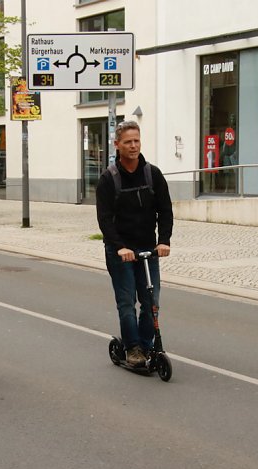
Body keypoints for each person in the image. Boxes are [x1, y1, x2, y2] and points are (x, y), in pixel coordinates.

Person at [96, 120, 174, 367]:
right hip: (121, 252)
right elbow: (105, 219)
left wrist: (163, 241)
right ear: (117, 144)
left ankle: (146, 345)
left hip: (148, 249)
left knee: (152, 301)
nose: (133, 146)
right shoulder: (110, 179)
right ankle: (132, 349)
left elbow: (166, 211)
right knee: (127, 301)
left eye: (136, 141)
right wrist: (119, 246)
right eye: (128, 142)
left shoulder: (153, 174)